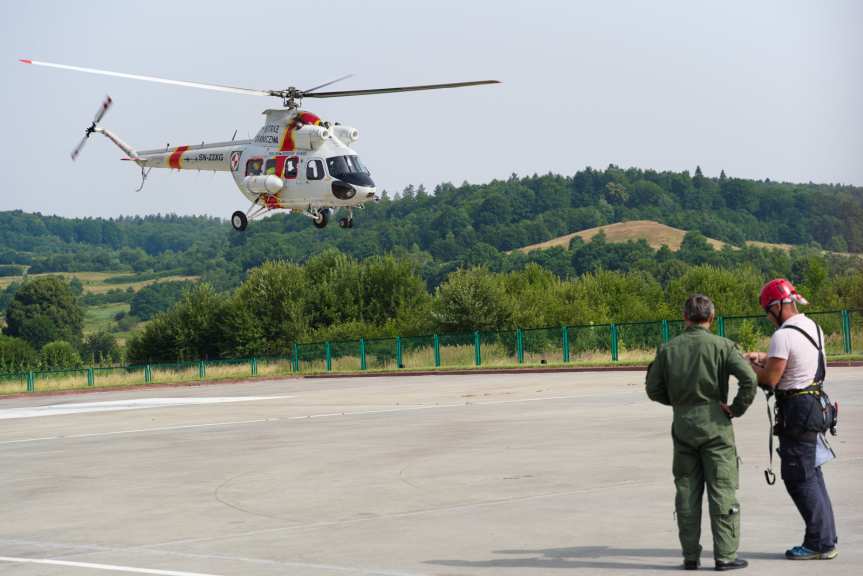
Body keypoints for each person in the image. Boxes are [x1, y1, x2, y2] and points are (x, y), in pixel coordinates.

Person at [646, 294, 757, 571]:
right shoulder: (723, 346)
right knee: (722, 489)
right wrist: (735, 409)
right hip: (716, 427)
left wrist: (679, 403)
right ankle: (725, 556)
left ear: (685, 317)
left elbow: (653, 389)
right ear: (711, 317)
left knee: (686, 490)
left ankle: (690, 556)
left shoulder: (668, 349)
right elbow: (749, 379)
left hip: (683, 425)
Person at [745, 278, 838, 560]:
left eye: (767, 311)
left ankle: (819, 543)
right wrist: (764, 356)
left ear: (777, 306)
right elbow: (796, 361)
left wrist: (750, 367)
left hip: (798, 410)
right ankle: (825, 537)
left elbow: (770, 379)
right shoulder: (812, 327)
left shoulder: (783, 335)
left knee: (799, 476)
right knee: (812, 474)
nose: (768, 317)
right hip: (815, 404)